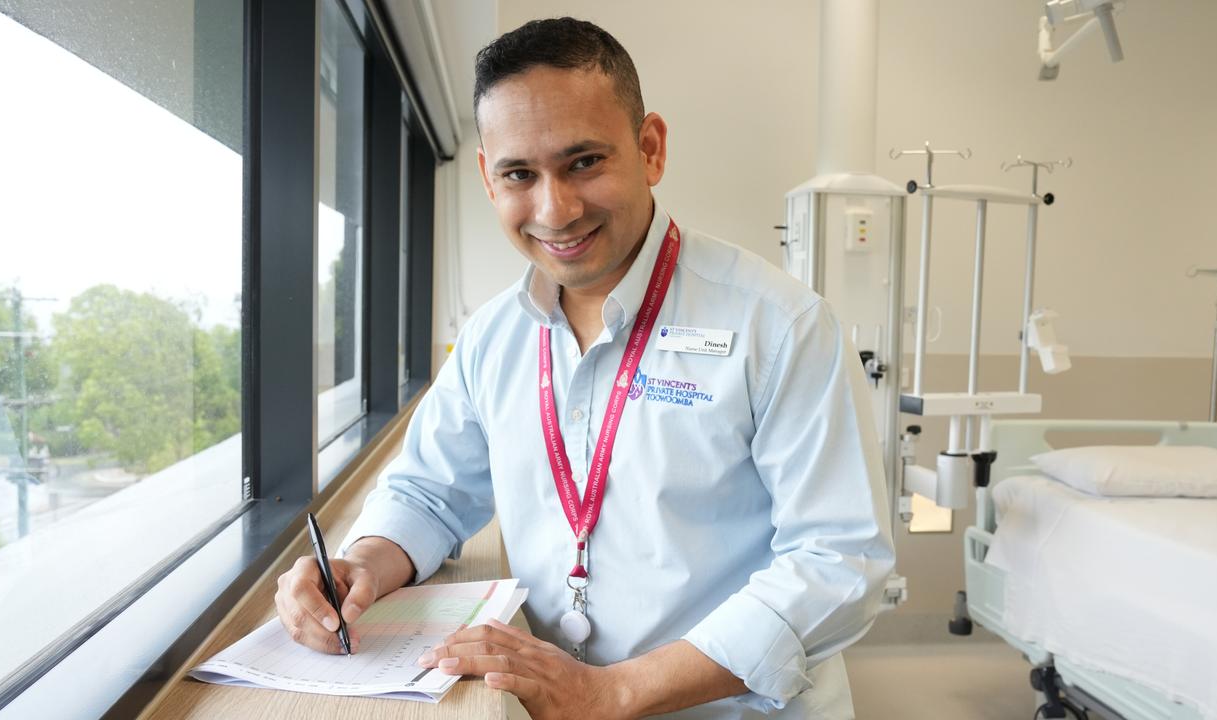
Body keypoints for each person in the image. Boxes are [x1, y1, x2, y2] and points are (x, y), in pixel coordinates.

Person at [275, 17, 894, 719]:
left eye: (583, 163)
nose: (556, 210)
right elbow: (430, 493)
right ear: (487, 177)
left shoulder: (778, 325)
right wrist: (361, 566)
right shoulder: (492, 339)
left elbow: (840, 561)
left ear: (650, 148)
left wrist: (619, 690)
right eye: (519, 174)